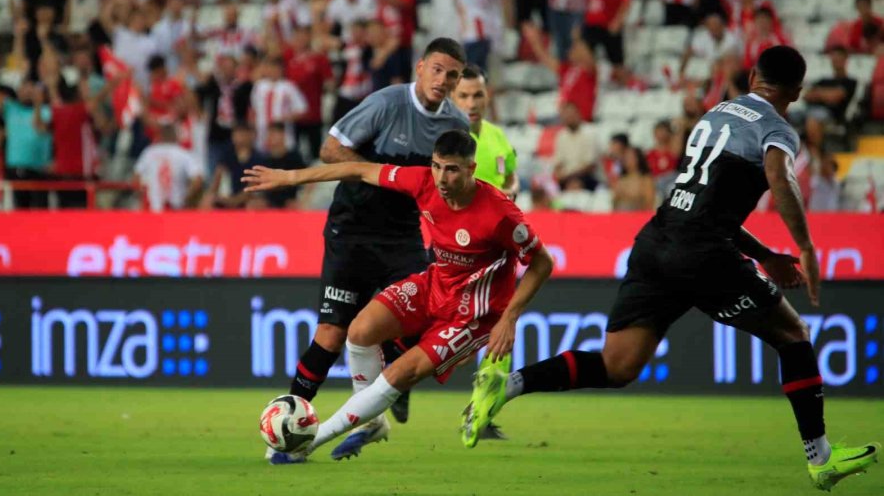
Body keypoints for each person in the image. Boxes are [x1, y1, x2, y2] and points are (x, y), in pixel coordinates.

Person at [462, 46, 880, 490]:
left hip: (657, 242)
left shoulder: (716, 115)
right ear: (796, 92)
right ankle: (821, 459)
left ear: (754, 75)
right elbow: (779, 178)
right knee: (794, 335)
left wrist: (765, 256)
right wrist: (806, 246)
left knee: (617, 365)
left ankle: (506, 387)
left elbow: (701, 207)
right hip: (703, 254)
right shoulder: (777, 129)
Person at [242, 130, 554, 463]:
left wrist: (509, 317)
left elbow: (542, 263)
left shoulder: (500, 215)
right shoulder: (423, 182)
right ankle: (372, 421)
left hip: (472, 314)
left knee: (399, 374)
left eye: (451, 169)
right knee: (359, 332)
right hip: (434, 285)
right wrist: (292, 177)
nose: (442, 178)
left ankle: (306, 443)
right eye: (436, 166)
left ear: (471, 169)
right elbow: (359, 170)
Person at [279, 38, 468, 452]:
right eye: (437, 69)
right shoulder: (386, 104)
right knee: (331, 333)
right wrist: (378, 174)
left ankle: (386, 400)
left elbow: (450, 184)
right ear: (420, 68)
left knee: (415, 322)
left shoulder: (456, 125)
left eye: (452, 74)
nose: (443, 80)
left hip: (403, 235)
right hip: (353, 229)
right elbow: (330, 148)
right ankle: (287, 426)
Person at [450, 65, 519, 199]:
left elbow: (510, 175)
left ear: (488, 95)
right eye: (464, 96)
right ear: (452, 97)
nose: (472, 104)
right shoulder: (442, 138)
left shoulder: (498, 134)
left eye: (478, 95)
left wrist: (512, 191)